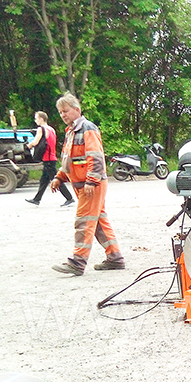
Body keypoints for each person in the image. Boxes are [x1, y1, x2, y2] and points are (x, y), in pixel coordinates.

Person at [50, 93, 125, 275]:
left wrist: (92, 180)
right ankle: (115, 258)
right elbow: (69, 160)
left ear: (77, 110)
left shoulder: (87, 128)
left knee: (83, 222)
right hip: (83, 184)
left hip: (90, 185)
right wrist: (60, 177)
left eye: (65, 111)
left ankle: (77, 262)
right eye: (60, 112)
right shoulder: (71, 131)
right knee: (98, 221)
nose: (63, 115)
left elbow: (95, 156)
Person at [26, 111, 74, 207]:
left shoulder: (41, 129)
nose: (35, 121)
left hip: (48, 159)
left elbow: (35, 142)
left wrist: (28, 146)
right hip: (51, 157)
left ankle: (69, 198)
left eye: (36, 118)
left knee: (56, 179)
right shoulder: (51, 129)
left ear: (41, 119)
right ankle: (37, 199)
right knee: (44, 180)